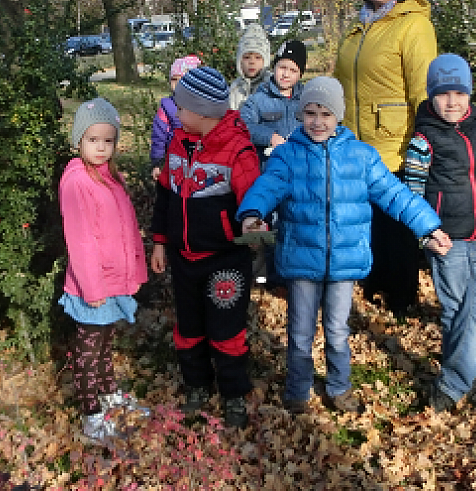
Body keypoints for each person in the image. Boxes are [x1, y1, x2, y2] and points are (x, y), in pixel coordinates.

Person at [237, 77, 449, 415]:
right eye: (309, 113)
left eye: (325, 113)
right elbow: (267, 187)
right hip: (301, 257)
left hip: (344, 260)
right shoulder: (288, 156)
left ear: (339, 115)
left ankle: (339, 386)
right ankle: (297, 389)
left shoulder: (361, 157)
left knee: (337, 330)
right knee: (300, 332)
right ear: (300, 114)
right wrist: (252, 213)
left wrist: (428, 226)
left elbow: (396, 195)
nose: (317, 122)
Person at [149, 66, 261, 429]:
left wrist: (253, 232)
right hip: (184, 259)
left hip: (225, 262)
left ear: (201, 112)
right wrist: (160, 243)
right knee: (189, 326)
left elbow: (255, 203)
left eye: (180, 108)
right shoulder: (179, 143)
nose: (175, 114)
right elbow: (164, 195)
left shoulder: (238, 150)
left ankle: (233, 393)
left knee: (226, 330)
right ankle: (197, 385)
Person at [335, 0, 438, 319]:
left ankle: (402, 298)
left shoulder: (413, 25)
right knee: (369, 220)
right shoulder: (358, 27)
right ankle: (375, 284)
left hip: (395, 142)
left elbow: (422, 88)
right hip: (354, 143)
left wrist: (426, 137)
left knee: (396, 225)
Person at [404, 54, 476, 412]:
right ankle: (462, 383)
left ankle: (452, 382)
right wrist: (426, 233)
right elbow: (412, 193)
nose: (452, 101)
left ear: (470, 94)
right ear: (432, 95)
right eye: (443, 94)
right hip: (447, 241)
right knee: (455, 313)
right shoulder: (424, 138)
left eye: (459, 93)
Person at [59, 98, 150, 445]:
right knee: (87, 350)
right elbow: (81, 241)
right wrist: (93, 289)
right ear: (79, 140)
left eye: (108, 140)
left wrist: (133, 274)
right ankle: (91, 414)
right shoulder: (76, 181)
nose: (101, 147)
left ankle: (109, 393)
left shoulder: (111, 176)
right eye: (93, 140)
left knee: (106, 343)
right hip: (92, 286)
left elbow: (125, 229)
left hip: (114, 281)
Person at [239, 39, 307, 287]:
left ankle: (292, 274)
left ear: (300, 73)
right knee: (269, 225)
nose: (286, 74)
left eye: (292, 70)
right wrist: (269, 137)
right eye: (282, 68)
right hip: (268, 173)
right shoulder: (259, 98)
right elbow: (243, 125)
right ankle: (269, 277)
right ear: (274, 67)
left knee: (294, 224)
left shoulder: (306, 98)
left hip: (299, 174)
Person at [150, 54, 202, 174]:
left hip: (201, 159)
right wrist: (157, 161)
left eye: (182, 79)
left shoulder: (202, 105)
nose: (177, 84)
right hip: (174, 159)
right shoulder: (167, 106)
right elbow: (159, 134)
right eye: (174, 79)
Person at [228, 23, 270, 110]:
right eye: (247, 57)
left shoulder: (271, 86)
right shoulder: (235, 87)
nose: (252, 62)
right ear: (240, 61)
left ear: (265, 60)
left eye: (258, 58)